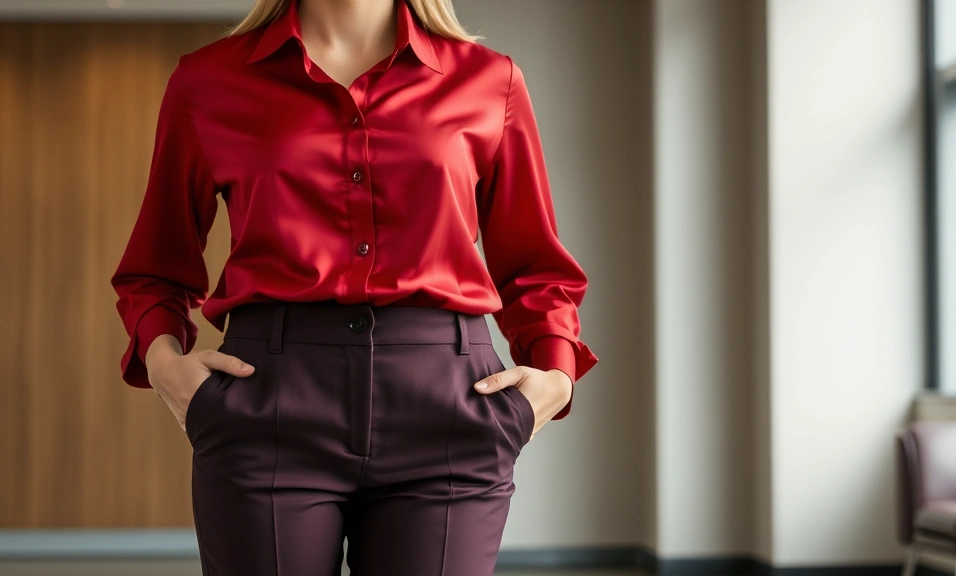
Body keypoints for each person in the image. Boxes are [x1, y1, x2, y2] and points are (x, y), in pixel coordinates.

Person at [110, 0, 598, 573]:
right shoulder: (208, 81)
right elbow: (155, 266)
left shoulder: (491, 81)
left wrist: (556, 376)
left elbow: (535, 265)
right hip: (267, 404)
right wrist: (166, 364)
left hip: (449, 405)